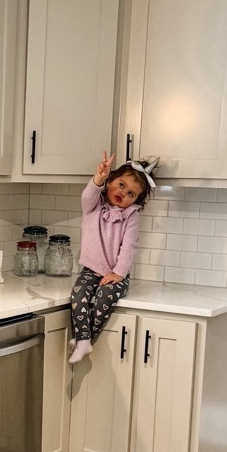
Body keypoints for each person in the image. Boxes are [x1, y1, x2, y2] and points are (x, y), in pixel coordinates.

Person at [68, 151, 153, 362]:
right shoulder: (93, 206)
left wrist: (119, 273)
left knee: (104, 297)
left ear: (136, 201)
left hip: (116, 275)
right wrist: (99, 177)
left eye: (131, 194)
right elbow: (87, 195)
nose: (124, 193)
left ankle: (84, 339)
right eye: (121, 185)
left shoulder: (131, 216)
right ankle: (83, 339)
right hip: (90, 270)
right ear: (110, 181)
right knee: (78, 295)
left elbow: (129, 246)